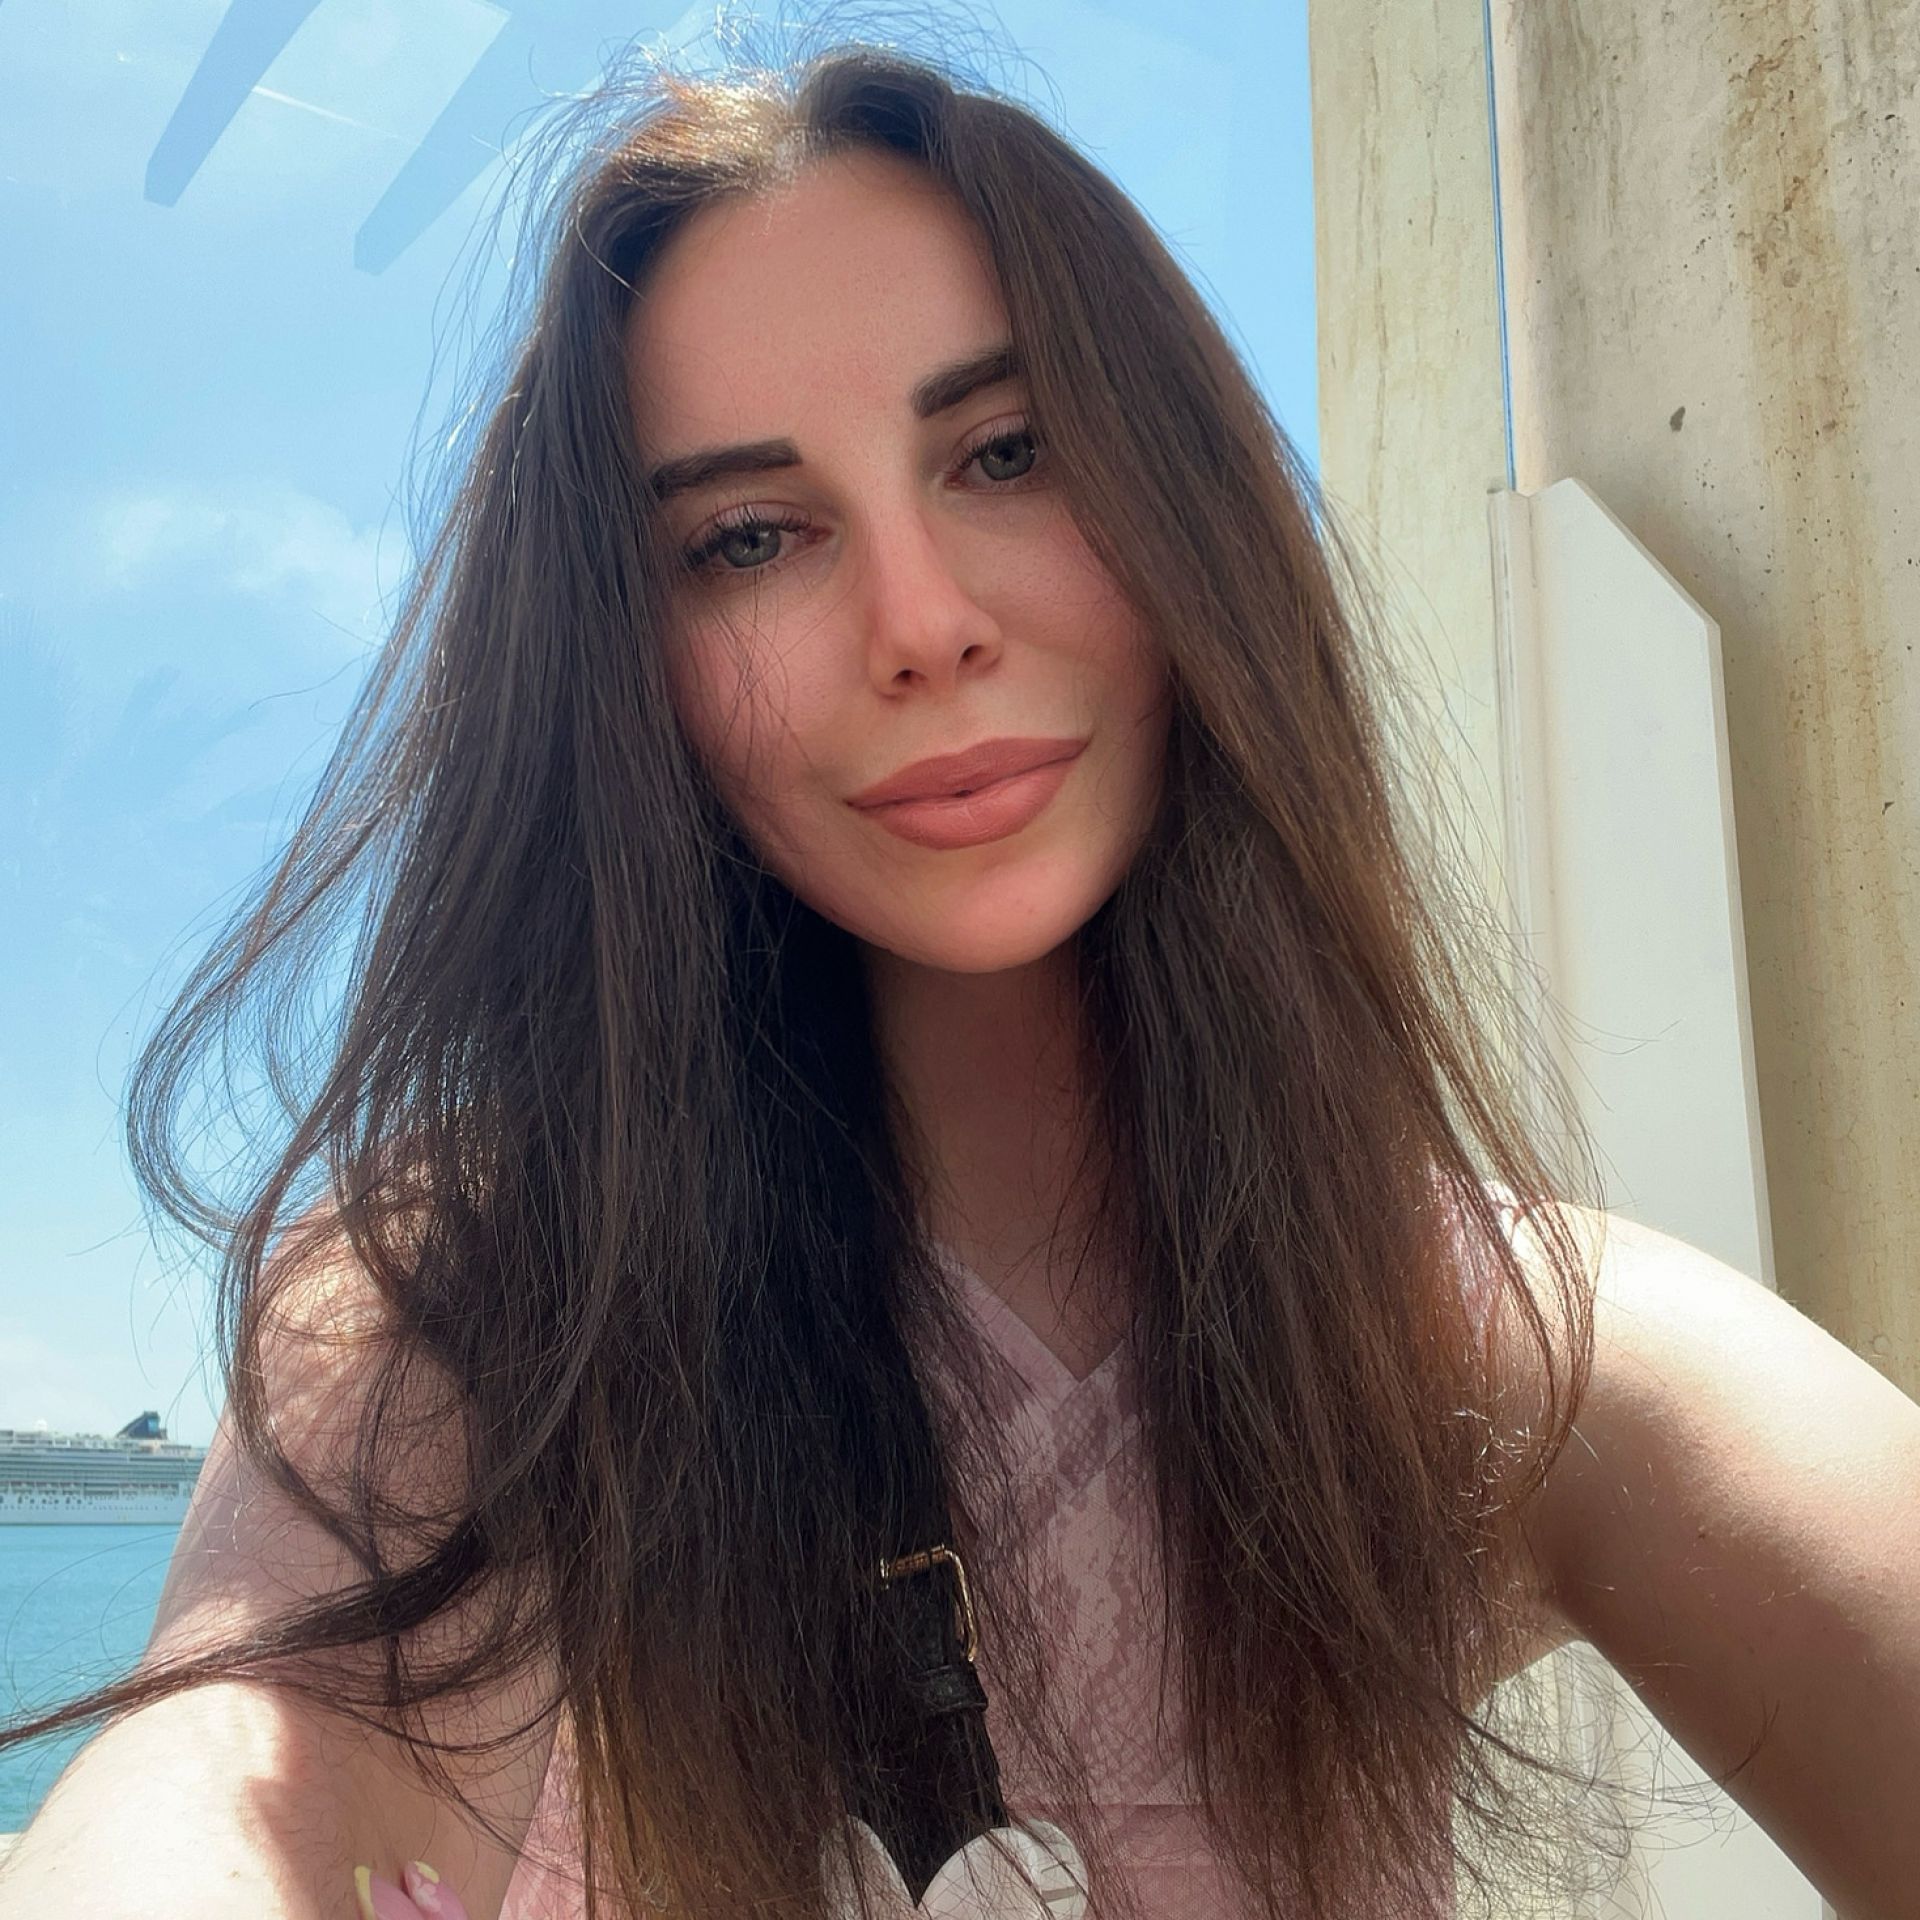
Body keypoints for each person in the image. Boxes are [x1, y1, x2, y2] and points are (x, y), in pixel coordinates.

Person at [4, 30, 1917, 1920]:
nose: (921, 624)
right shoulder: (491, 1302)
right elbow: (248, 1771)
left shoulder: (1464, 1344)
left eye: (1009, 452)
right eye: (748, 539)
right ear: (627, 670)